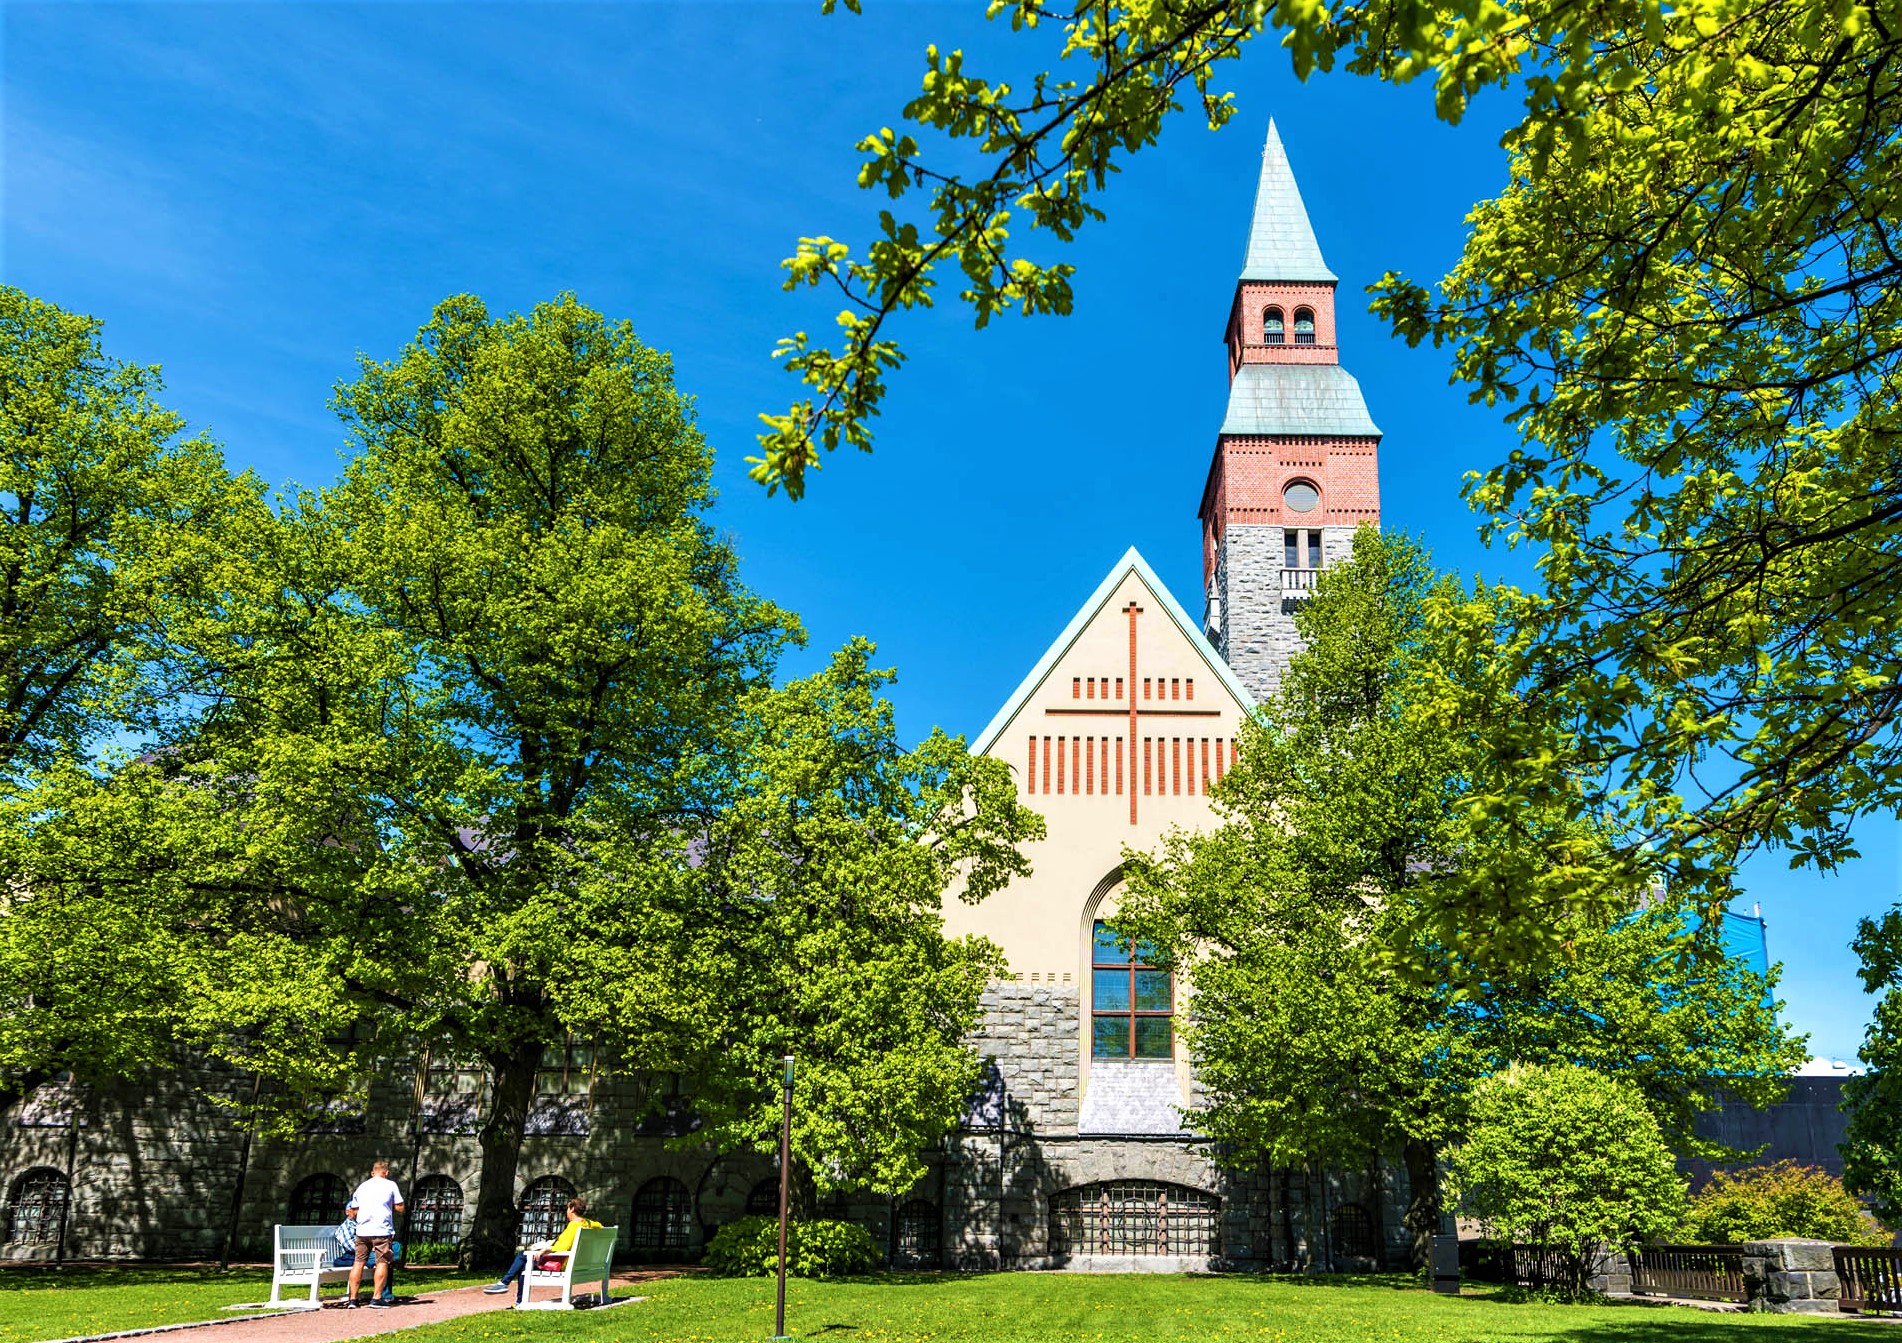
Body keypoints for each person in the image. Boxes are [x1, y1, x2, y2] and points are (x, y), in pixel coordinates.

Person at [482, 1197, 602, 1294]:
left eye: (567, 1209)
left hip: (561, 1263)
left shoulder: (573, 1226)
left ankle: (504, 1284)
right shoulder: (586, 1223)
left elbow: (563, 1248)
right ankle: (509, 1290)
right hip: (577, 1263)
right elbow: (599, 1225)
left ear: (571, 1209)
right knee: (525, 1261)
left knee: (522, 1256)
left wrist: (545, 1249)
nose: (566, 1212)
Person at [343, 1160, 405, 1309]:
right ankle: (376, 1298)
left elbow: (353, 1209)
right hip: (381, 1230)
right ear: (386, 1172)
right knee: (382, 1262)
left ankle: (353, 1299)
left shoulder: (362, 1186)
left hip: (362, 1230)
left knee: (358, 1262)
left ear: (372, 1172)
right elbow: (400, 1207)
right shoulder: (391, 1185)